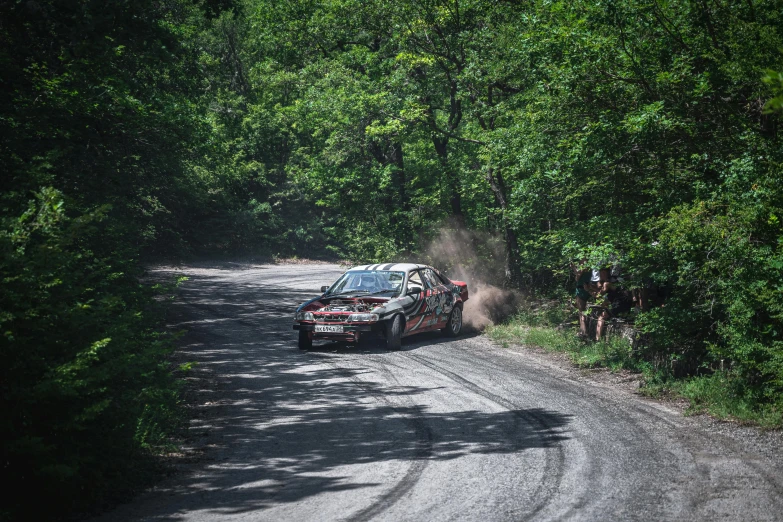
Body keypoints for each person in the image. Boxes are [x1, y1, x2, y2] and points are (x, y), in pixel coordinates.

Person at [574, 262, 595, 339]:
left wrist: (574, 268)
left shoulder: (583, 265)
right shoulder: (593, 265)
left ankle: (583, 332)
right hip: (592, 288)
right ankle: (586, 331)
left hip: (581, 288)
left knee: (581, 311)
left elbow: (577, 278)